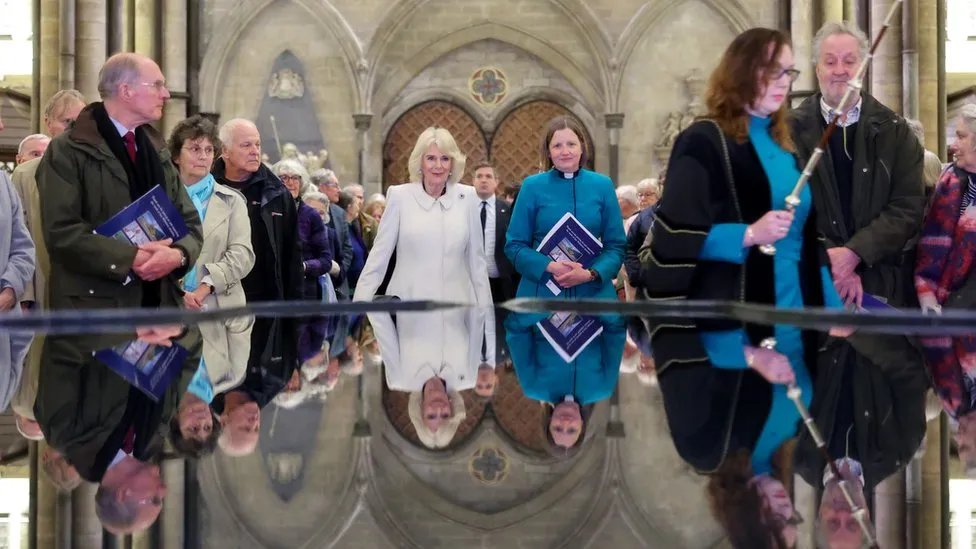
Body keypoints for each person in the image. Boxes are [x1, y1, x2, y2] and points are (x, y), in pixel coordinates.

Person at [639, 28, 844, 548]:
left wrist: (835, 311)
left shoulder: (787, 146)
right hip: (738, 326)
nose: (782, 83)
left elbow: (807, 239)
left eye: (789, 72)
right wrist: (748, 234)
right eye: (770, 71)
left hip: (799, 328)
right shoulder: (704, 140)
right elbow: (672, 242)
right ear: (740, 72)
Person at [33, 52, 203, 534]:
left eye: (155, 496)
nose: (166, 94)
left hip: (159, 313)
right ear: (126, 91)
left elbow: (189, 224)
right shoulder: (68, 153)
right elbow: (62, 233)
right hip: (95, 323)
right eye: (158, 84)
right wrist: (133, 260)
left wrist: (180, 256)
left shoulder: (151, 151)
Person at [792, 21, 926, 308]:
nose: (840, 70)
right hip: (809, 284)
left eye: (849, 61)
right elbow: (784, 207)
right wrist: (830, 260)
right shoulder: (787, 132)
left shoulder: (896, 132)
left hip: (879, 285)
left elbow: (908, 207)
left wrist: (854, 253)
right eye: (830, 62)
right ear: (817, 69)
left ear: (863, 68)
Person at [209, 118, 303, 457]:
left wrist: (295, 314)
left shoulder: (276, 193)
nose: (255, 151)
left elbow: (292, 258)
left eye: (258, 144)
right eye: (246, 145)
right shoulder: (204, 188)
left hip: (266, 311)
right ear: (225, 152)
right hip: (213, 309)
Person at [164, 115, 255, 457]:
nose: (203, 156)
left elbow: (243, 255)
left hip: (218, 307)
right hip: (167, 308)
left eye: (208, 149)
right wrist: (175, 292)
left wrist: (203, 287)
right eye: (194, 148)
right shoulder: (158, 198)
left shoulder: (232, 201)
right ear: (177, 155)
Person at [9, 89, 86, 441]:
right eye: (66, 122)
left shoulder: (99, 175)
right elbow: (15, 240)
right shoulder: (24, 176)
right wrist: (23, 300)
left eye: (80, 123)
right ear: (49, 124)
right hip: (39, 299)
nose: (73, 130)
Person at [353, 126, 490, 306]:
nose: (438, 165)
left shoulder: (468, 197)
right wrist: (359, 305)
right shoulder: (399, 196)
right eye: (431, 158)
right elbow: (378, 257)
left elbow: (477, 265)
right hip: (409, 307)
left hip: (456, 309)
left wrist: (486, 321)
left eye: (445, 158)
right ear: (420, 162)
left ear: (453, 164)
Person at [914, 103, 976, 478]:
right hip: (956, 313)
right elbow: (933, 246)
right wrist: (926, 297)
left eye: (962, 136)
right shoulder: (951, 183)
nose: (954, 144)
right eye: (966, 445)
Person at [504, 116, 625, 301]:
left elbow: (616, 246)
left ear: (582, 147)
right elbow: (514, 246)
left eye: (571, 144)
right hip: (542, 290)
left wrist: (590, 273)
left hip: (592, 292)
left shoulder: (603, 185)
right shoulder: (532, 186)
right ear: (548, 152)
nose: (565, 151)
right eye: (557, 145)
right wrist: (550, 266)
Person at [505, 312, 625, 458]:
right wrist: (600, 301)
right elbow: (616, 329)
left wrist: (543, 308)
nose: (566, 423)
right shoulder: (603, 387)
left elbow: (515, 328)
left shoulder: (533, 386)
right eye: (572, 430)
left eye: (558, 428)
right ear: (582, 425)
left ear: (548, 422)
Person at [271, 159, 334, 301]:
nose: (291, 183)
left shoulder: (311, 215)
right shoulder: (267, 212)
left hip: (305, 292)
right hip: (273, 291)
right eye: (284, 178)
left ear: (302, 182)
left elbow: (325, 260)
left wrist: (304, 266)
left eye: (295, 178)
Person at [310, 169, 354, 299]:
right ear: (321, 187)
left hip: (340, 284)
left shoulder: (339, 213)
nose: (339, 190)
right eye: (335, 185)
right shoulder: (306, 210)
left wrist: (340, 271)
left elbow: (347, 248)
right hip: (315, 284)